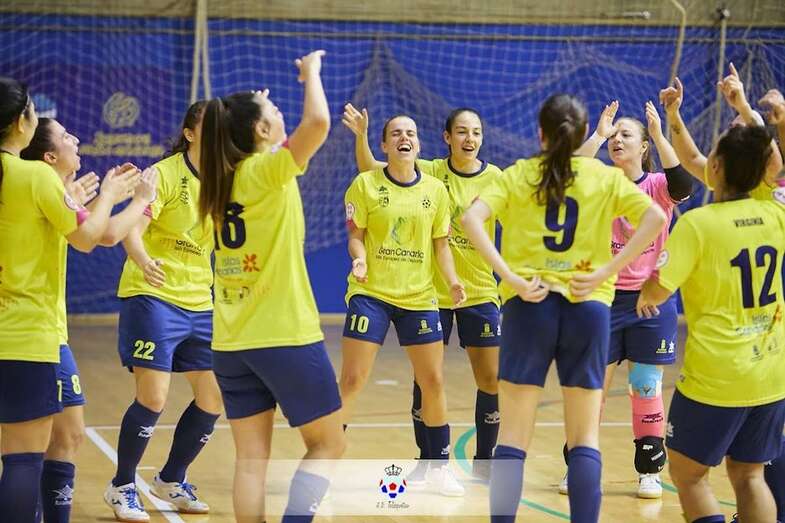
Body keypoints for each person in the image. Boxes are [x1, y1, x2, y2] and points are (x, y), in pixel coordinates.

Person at [461, 93, 667, 522]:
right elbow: (656, 219)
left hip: (528, 305)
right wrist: (607, 270)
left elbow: (470, 220)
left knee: (513, 435)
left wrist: (509, 276)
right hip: (587, 306)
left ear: (540, 133)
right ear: (583, 133)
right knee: (584, 437)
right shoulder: (602, 177)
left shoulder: (520, 173)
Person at [198, 50, 344, 523]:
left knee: (250, 463)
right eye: (274, 114)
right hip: (282, 334)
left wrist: (253, 111)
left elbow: (245, 133)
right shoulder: (266, 171)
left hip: (231, 341)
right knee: (328, 443)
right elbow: (318, 122)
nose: (283, 116)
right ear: (261, 132)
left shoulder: (219, 180)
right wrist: (312, 75)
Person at [0, 76, 139, 523]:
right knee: (23, 460)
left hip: (29, 335)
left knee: (64, 436)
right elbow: (90, 237)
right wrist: (117, 197)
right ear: (23, 123)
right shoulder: (33, 175)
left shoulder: (32, 180)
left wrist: (71, 202)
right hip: (24, 336)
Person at [342, 104, 502, 479]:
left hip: (475, 290)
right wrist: (362, 137)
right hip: (426, 294)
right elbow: (374, 173)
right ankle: (426, 462)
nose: (469, 138)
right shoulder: (429, 171)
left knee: (488, 379)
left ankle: (485, 461)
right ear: (447, 138)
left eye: (476, 131)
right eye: (461, 131)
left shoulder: (493, 178)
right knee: (420, 379)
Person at [637, 123, 785, 523]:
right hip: (770, 371)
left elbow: (656, 291)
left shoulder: (698, 225)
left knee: (689, 474)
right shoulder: (775, 213)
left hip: (717, 377)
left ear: (715, 166)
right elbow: (772, 160)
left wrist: (639, 282)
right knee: (750, 474)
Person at [558, 100, 693, 499]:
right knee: (592, 387)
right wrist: (598, 134)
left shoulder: (657, 187)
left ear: (644, 147)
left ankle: (649, 471)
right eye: (614, 136)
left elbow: (683, 183)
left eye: (625, 135)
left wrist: (659, 133)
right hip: (601, 299)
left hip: (649, 301)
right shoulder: (598, 181)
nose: (618, 140)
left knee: (646, 384)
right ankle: (579, 468)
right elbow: (566, 171)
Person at [104, 100, 223, 522]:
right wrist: (143, 260)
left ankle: (171, 477)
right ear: (190, 133)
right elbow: (131, 229)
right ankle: (121, 485)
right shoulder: (165, 174)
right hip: (153, 294)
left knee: (212, 398)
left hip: (200, 301)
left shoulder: (224, 183)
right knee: (153, 397)